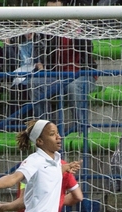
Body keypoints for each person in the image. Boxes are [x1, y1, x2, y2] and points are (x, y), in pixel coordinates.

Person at [30, 0, 97, 134]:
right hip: (57, 76)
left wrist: (77, 31)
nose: (51, 17)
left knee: (72, 87)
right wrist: (41, 65)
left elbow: (88, 50)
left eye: (55, 12)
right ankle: (46, 129)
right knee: (35, 84)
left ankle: (82, 127)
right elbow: (40, 55)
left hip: (82, 75)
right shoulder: (47, 32)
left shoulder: (80, 29)